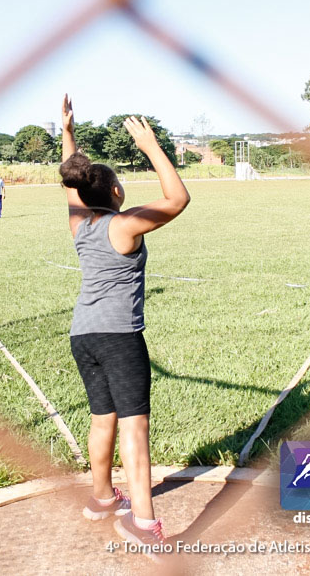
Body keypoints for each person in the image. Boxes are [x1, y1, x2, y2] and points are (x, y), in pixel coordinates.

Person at [58, 94, 190, 551]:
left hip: (83, 335)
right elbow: (178, 198)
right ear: (115, 192)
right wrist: (152, 146)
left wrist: (68, 134)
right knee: (134, 426)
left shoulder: (80, 226)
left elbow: (71, 185)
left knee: (102, 419)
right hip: (118, 337)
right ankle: (144, 522)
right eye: (118, 181)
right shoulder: (124, 224)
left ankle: (101, 499)